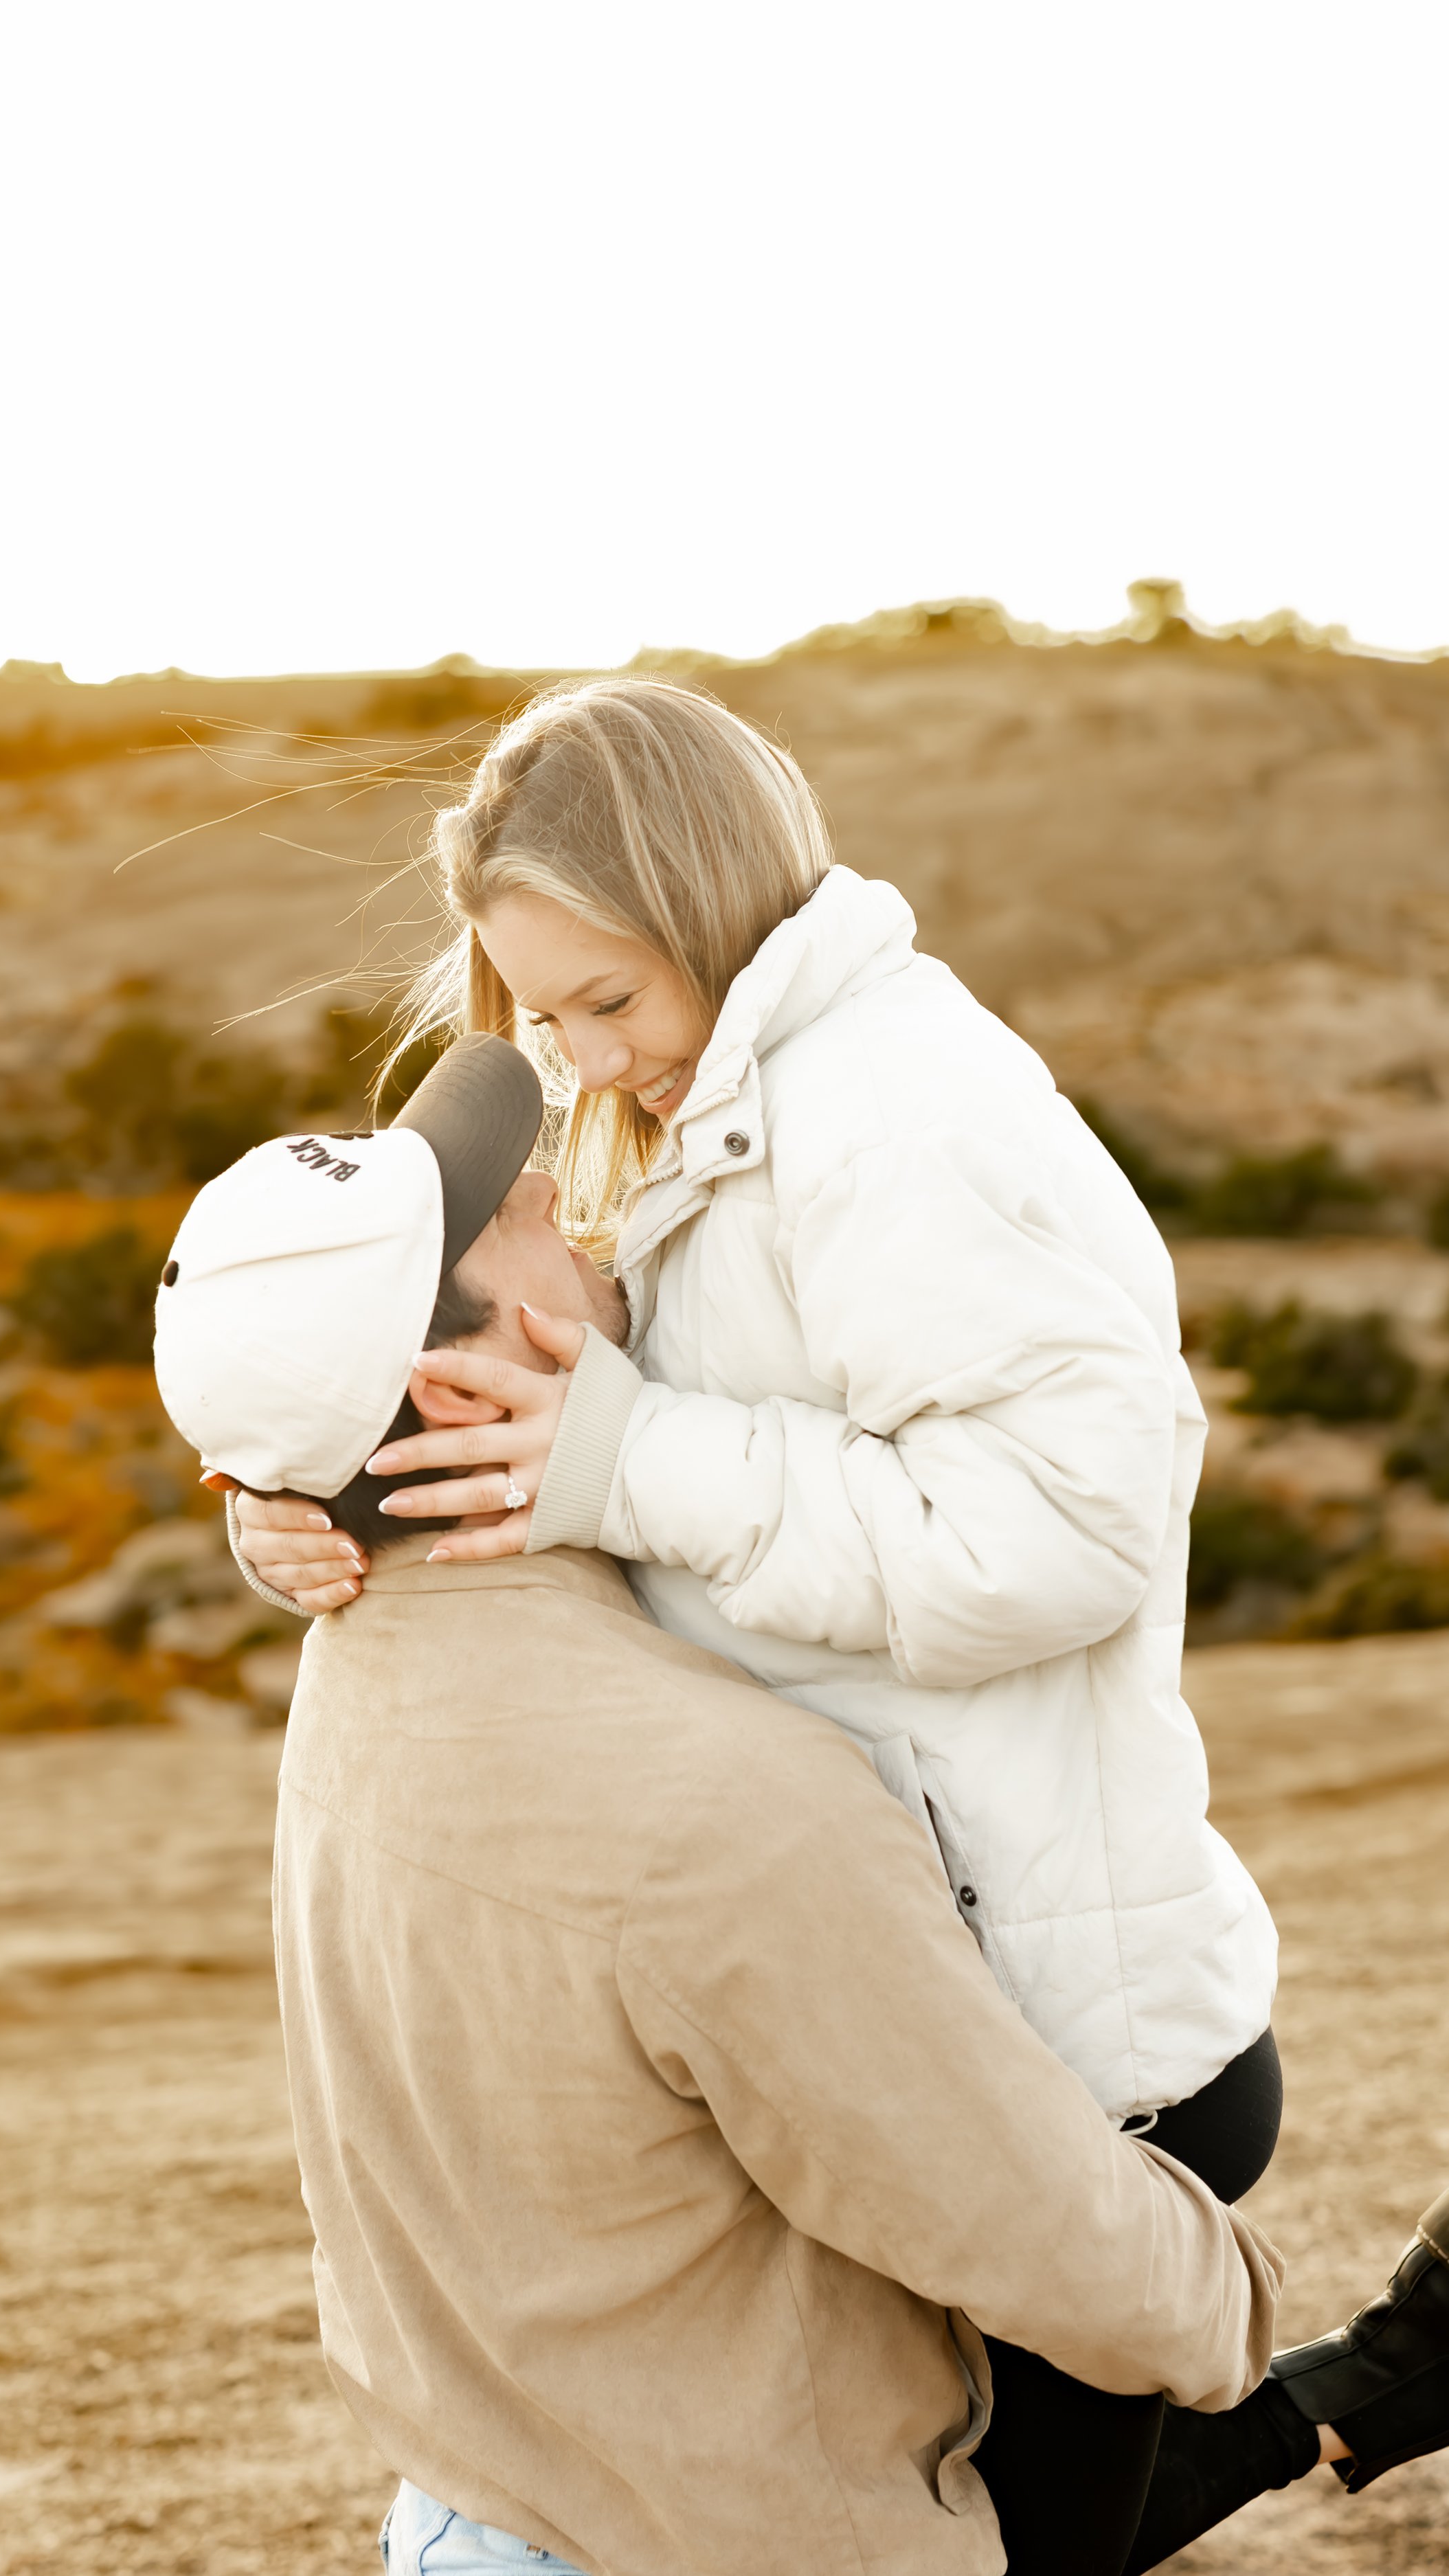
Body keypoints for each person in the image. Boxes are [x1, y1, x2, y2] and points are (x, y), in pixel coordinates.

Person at [156, 1035, 1449, 2576]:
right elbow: (1068, 2261)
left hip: (480, 2504)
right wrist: (1231, 2291)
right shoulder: (712, 1806)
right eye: (509, 1211)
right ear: (456, 1378)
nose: (570, 1207)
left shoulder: (354, 1658)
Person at [231, 677, 1282, 2566]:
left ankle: (1350, 2396)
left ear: (717, 905)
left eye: (605, 1000)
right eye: (536, 1015)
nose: (572, 1065)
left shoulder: (900, 1119)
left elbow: (1058, 1529)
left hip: (1055, 2044)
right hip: (876, 2004)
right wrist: (302, 1497)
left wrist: (626, 1464)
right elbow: (477, 1386)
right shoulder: (691, 1091)